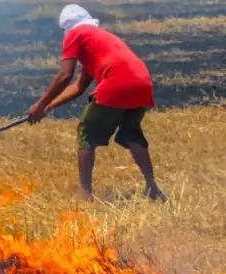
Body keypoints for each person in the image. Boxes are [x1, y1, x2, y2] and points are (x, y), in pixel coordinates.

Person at [26, 4, 166, 202]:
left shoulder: (75, 34)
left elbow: (65, 75)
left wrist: (39, 105)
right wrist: (49, 107)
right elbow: (78, 87)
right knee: (131, 132)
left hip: (117, 82)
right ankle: (153, 188)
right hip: (142, 81)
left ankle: (85, 193)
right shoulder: (98, 41)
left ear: (67, 28)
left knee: (86, 132)